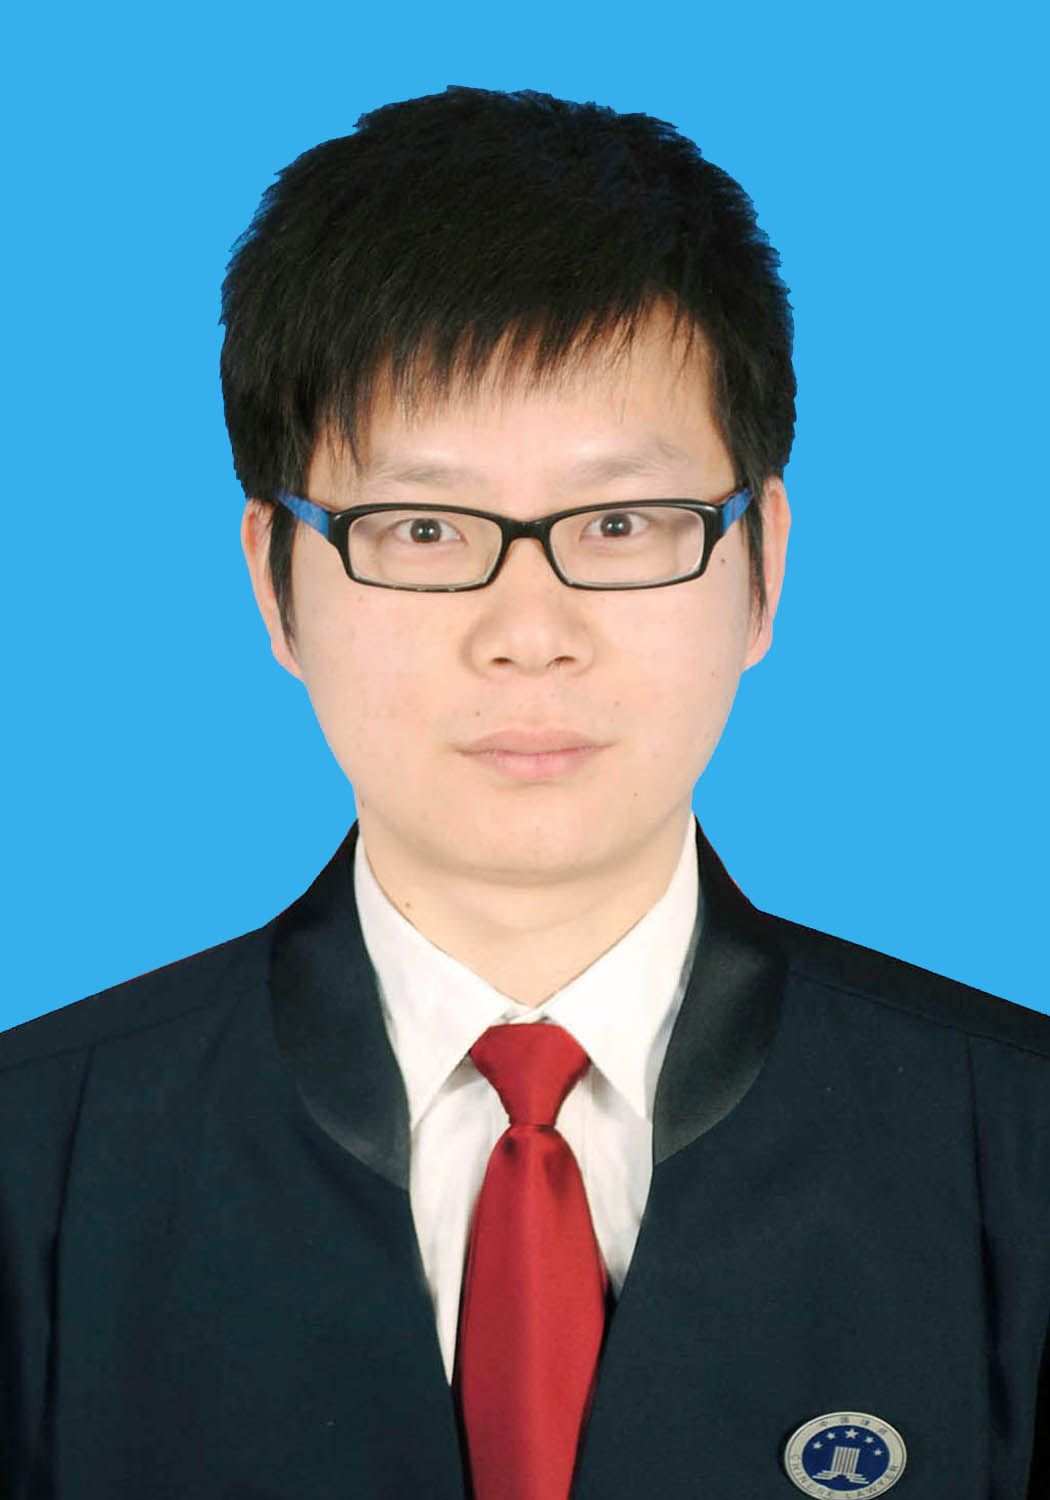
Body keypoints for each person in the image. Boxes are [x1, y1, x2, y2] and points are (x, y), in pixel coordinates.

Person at [2, 84, 1047, 1500]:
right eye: (423, 528)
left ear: (761, 567)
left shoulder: (1014, 1150)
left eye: (618, 522)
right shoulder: (37, 1164)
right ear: (274, 581)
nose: (529, 631)